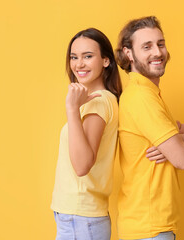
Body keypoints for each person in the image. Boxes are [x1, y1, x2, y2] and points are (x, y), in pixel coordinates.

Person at [115, 16, 184, 240]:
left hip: (151, 225)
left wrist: (183, 141)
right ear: (128, 53)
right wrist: (181, 143)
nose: (157, 52)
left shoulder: (150, 94)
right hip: (149, 228)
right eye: (147, 46)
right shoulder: (142, 97)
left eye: (160, 43)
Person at [51, 28, 122, 240]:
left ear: (106, 61)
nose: (78, 64)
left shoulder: (98, 102)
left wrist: (71, 110)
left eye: (88, 56)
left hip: (80, 216)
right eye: (74, 57)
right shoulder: (99, 100)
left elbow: (82, 165)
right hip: (80, 217)